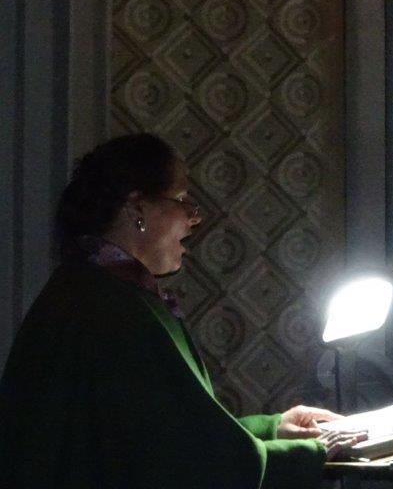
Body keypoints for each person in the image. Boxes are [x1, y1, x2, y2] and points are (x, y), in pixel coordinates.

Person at [0, 133, 364, 488]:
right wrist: (312, 452)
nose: (194, 218)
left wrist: (273, 429)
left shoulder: (91, 288)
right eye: (182, 200)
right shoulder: (114, 310)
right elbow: (188, 464)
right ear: (137, 208)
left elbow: (169, 434)